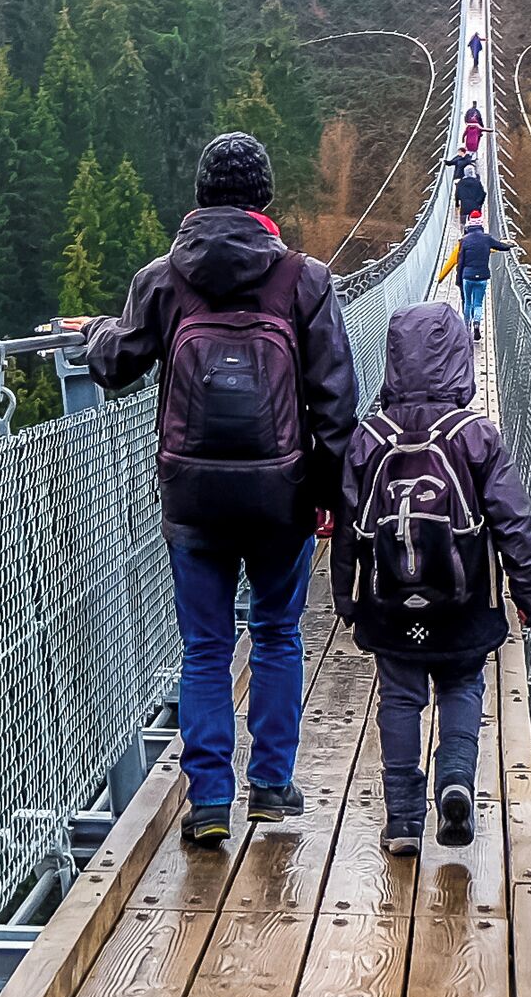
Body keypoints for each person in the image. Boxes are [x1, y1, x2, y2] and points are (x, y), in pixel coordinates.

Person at [77, 131, 358, 849]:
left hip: (193, 497)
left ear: (200, 196)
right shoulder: (306, 280)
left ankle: (207, 800)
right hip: (281, 494)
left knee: (204, 648)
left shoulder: (165, 277)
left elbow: (117, 365)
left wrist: (95, 332)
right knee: (275, 632)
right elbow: (333, 402)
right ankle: (269, 784)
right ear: (265, 198)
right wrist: (328, 493)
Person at [335, 303, 531, 854]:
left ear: (391, 362)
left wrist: (345, 596)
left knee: (400, 698)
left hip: (389, 601)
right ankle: (455, 780)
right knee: (461, 685)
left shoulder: (369, 435)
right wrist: (529, 590)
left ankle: (403, 821)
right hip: (465, 598)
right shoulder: (475, 434)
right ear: (460, 360)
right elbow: (512, 518)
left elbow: (348, 525)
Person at [454, 216, 515, 324]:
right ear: (481, 226)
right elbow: (500, 246)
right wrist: (509, 245)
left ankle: (466, 325)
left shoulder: (464, 240)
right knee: (478, 303)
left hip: (467, 276)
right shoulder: (487, 238)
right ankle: (477, 323)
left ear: (469, 226)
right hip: (483, 276)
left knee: (468, 302)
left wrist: (458, 278)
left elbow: (461, 261)